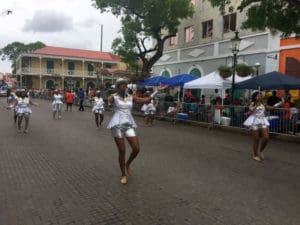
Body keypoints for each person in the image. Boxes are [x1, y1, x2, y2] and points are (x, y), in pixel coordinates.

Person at [107, 78, 164, 184]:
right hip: (117, 125)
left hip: (128, 124)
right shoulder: (114, 97)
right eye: (122, 85)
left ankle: (127, 163)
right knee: (122, 151)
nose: (125, 86)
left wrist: (157, 91)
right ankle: (123, 174)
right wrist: (111, 97)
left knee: (136, 149)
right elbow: (108, 100)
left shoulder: (131, 97)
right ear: (118, 86)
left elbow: (146, 100)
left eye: (126, 85)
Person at [243, 91, 275, 161]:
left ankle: (260, 151)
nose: (260, 97)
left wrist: (280, 103)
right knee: (256, 139)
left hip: (262, 121)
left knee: (266, 138)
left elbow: (271, 108)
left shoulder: (263, 104)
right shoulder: (252, 103)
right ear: (255, 97)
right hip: (254, 121)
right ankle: (255, 155)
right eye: (258, 95)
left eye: (260, 96)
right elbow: (250, 109)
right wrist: (256, 105)